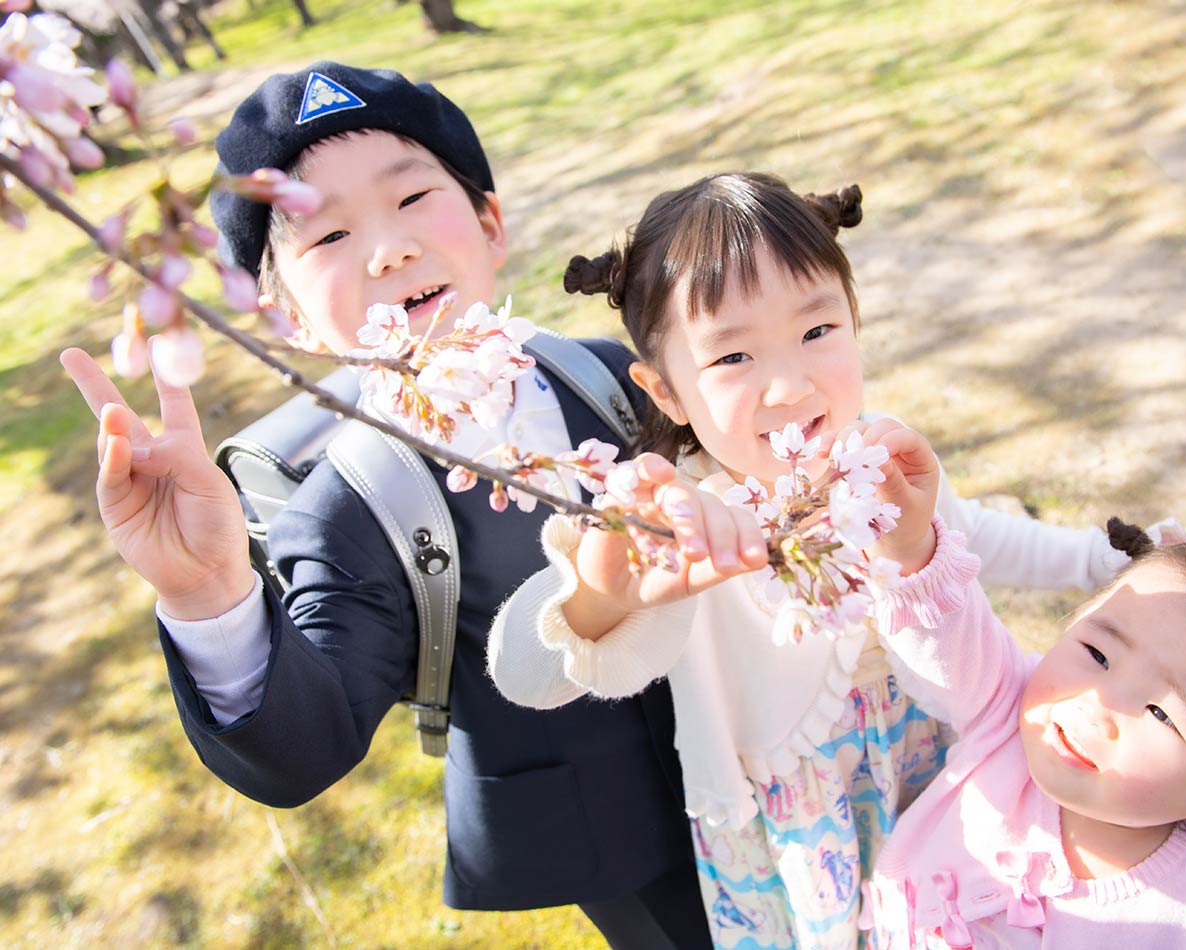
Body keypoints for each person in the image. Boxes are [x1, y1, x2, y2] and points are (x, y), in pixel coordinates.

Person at [60, 62, 710, 949]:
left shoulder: (600, 373)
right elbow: (305, 746)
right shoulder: (352, 507)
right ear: (287, 319)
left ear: (489, 223)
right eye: (327, 236)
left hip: (755, 736)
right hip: (616, 836)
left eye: (411, 198)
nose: (387, 249)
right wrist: (206, 592)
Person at [486, 172, 1160, 950]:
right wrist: (598, 597)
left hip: (940, 764)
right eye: (732, 355)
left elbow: (971, 534)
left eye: (817, 331)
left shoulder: (878, 455)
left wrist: (1105, 558)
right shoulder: (680, 521)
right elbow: (523, 675)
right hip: (805, 830)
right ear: (665, 391)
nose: (788, 384)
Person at [860, 428, 1186, 948]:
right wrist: (910, 547)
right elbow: (948, 629)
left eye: (1160, 713)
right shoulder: (1009, 711)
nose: (1097, 705)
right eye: (1098, 654)